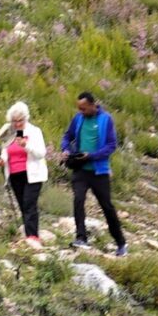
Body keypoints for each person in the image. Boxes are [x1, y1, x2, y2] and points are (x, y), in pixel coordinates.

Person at [60, 91, 125, 253]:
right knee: (78, 200)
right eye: (79, 109)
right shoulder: (78, 119)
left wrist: (92, 156)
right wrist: (66, 150)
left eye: (83, 108)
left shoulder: (106, 119)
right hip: (80, 169)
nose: (81, 112)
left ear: (92, 105)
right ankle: (81, 237)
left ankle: (120, 242)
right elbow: (67, 136)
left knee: (107, 207)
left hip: (99, 171)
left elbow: (111, 145)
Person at [0, 102, 52, 247]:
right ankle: (29, 236)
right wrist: (2, 159)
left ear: (26, 118)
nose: (18, 123)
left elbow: (41, 153)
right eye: (15, 121)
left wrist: (25, 145)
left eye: (20, 120)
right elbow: (5, 150)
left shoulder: (34, 131)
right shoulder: (9, 133)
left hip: (32, 174)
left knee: (29, 204)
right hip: (15, 174)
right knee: (23, 205)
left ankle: (33, 237)